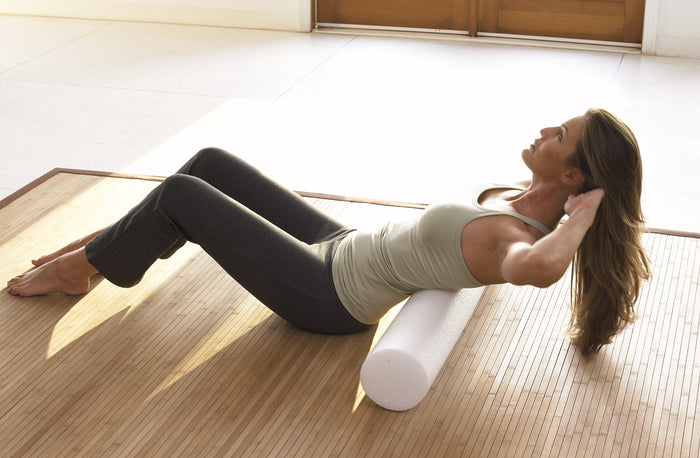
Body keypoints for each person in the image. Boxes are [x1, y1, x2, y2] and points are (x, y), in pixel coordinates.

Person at [6, 108, 650, 356]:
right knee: (208, 164)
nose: (543, 129)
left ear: (572, 179)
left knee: (182, 196)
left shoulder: (515, 237)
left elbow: (540, 270)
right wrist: (575, 206)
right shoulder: (519, 196)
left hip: (328, 295)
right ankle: (98, 250)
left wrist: (584, 218)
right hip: (340, 242)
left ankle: (81, 267)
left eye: (558, 137)